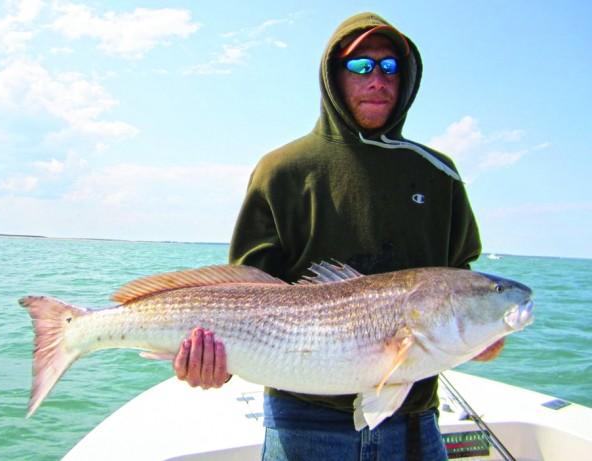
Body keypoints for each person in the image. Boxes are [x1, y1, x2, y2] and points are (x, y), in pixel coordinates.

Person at [173, 11, 504, 461]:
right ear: (333, 74)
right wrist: (214, 365)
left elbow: (460, 280)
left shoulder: (439, 173)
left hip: (414, 421)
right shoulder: (282, 170)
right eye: (361, 66)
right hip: (302, 421)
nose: (378, 80)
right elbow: (243, 291)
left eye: (390, 67)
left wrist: (481, 334)